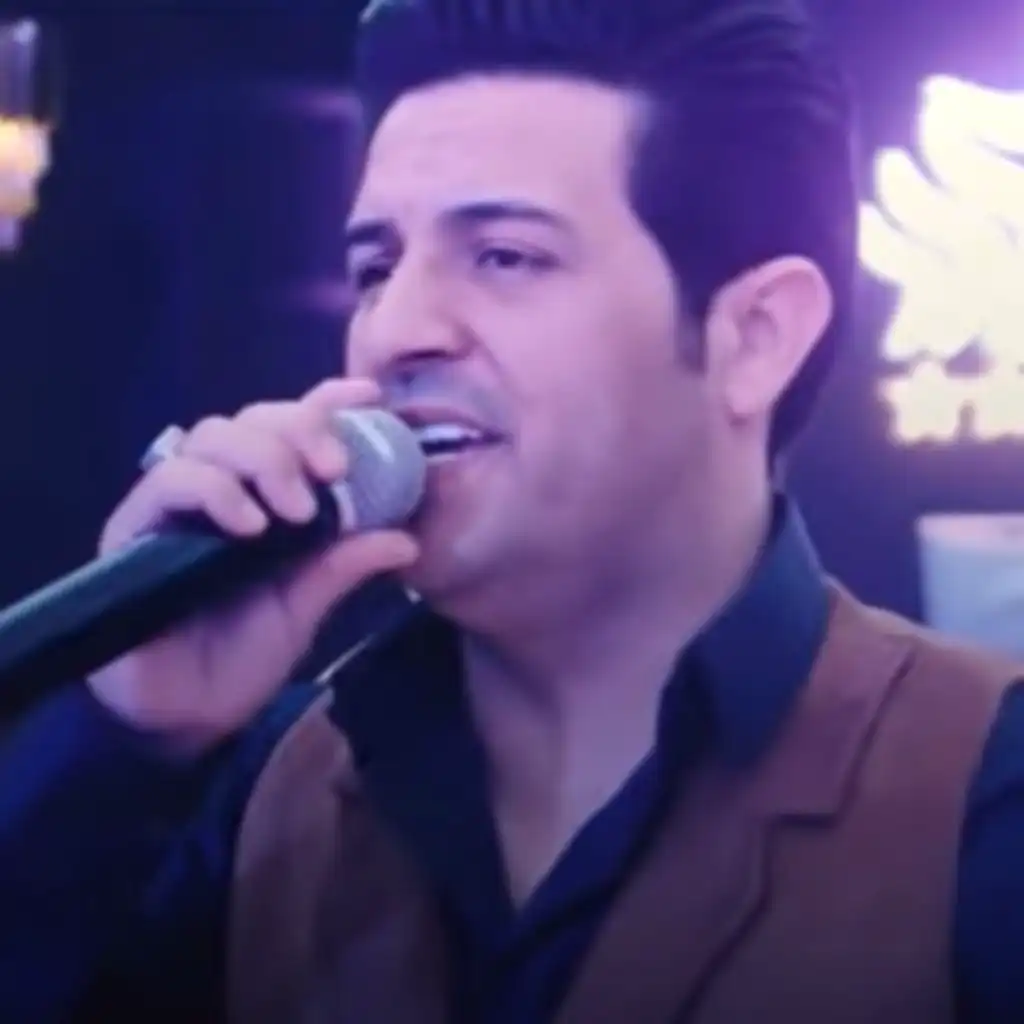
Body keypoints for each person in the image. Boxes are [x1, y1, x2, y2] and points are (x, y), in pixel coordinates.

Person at [2, 0, 1024, 1021]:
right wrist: (123, 740)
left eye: (504, 256)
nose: (393, 330)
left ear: (756, 336)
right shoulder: (270, 783)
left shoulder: (978, 780)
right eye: (375, 270)